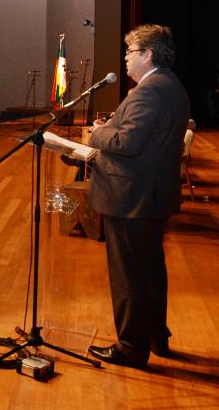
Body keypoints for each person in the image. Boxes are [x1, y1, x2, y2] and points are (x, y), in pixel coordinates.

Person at [86, 24, 190, 369]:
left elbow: (128, 143)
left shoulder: (149, 91)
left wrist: (98, 134)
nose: (126, 58)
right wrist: (112, 128)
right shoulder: (170, 86)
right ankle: (156, 336)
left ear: (147, 54)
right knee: (150, 273)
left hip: (131, 198)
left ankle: (131, 346)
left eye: (130, 52)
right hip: (151, 195)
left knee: (128, 276)